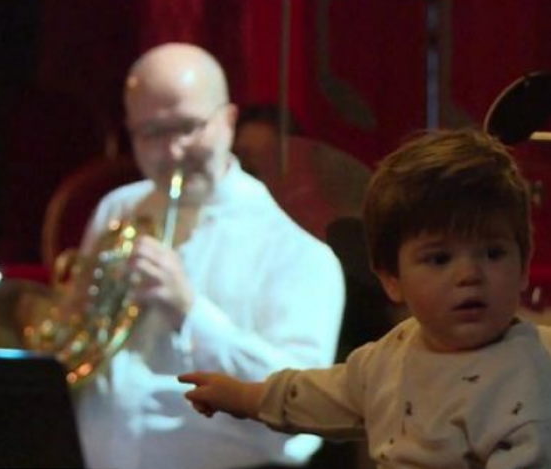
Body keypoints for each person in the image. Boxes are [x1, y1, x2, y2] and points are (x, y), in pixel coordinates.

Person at [180, 128, 551, 468]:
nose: (471, 275)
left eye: (493, 253)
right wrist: (246, 398)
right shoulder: (394, 352)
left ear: (523, 265)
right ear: (392, 278)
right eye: (440, 258)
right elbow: (328, 393)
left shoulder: (529, 376)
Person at [73, 43, 346, 469]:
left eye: (187, 128)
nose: (172, 153)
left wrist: (190, 311)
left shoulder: (293, 237)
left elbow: (304, 409)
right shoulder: (118, 208)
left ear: (228, 121)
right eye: (150, 133)